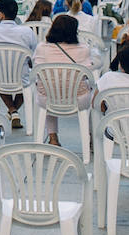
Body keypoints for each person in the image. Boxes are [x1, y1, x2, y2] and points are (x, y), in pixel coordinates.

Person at [31, 14, 95, 146]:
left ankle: (53, 137)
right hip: (78, 99)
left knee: (50, 88)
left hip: (47, 98)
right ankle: (89, 136)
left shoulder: (42, 48)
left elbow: (36, 67)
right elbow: (87, 73)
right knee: (93, 90)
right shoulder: (83, 49)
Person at [0, 0, 38, 127]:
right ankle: (13, 111)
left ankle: (12, 110)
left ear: (1, 14)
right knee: (28, 80)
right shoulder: (27, 32)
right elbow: (34, 57)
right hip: (22, 76)